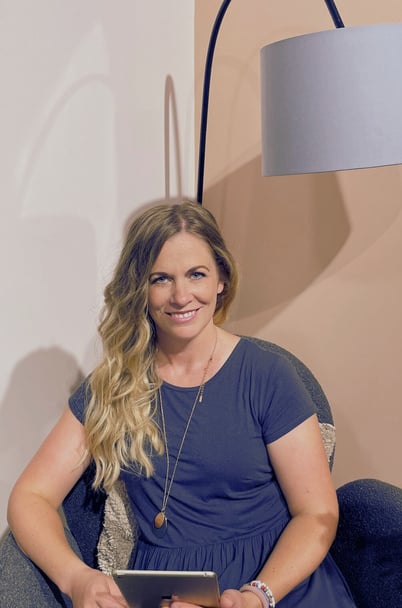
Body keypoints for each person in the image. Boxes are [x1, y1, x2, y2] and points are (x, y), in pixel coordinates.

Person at [6, 201, 356, 607]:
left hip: (275, 585)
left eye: (196, 274)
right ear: (141, 287)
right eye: (161, 279)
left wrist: (257, 596)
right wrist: (77, 578)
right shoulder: (115, 384)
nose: (181, 295)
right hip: (165, 595)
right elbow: (30, 497)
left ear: (221, 278)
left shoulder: (269, 375)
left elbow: (316, 513)